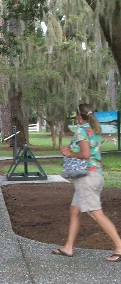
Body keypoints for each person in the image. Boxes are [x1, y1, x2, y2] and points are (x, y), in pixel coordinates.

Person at [52, 103, 121, 262]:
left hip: (86, 178)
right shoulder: (95, 130)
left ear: (78, 116)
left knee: (96, 212)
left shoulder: (82, 131)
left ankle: (119, 246)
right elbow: (94, 153)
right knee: (74, 211)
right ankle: (68, 247)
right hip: (96, 174)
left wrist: (68, 153)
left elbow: (85, 154)